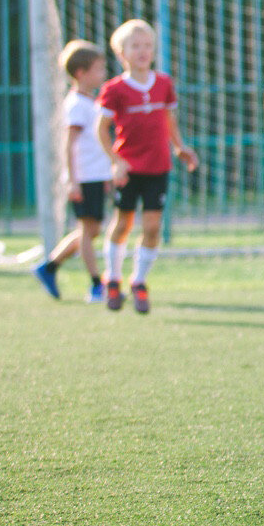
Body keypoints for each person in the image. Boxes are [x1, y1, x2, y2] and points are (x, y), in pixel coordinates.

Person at [96, 19, 199, 314]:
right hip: (129, 169)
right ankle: (112, 278)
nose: (142, 51)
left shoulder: (164, 83)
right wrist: (116, 161)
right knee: (123, 223)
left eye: (147, 46)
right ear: (122, 53)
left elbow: (168, 118)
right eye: (135, 46)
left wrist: (179, 147)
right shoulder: (114, 89)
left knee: (152, 227)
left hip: (158, 167)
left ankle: (138, 281)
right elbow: (101, 129)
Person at [32, 40, 113, 304]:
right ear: (81, 73)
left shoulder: (91, 102)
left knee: (91, 230)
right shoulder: (76, 104)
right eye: (99, 69)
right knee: (88, 231)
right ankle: (95, 285)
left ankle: (50, 266)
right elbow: (68, 145)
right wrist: (72, 180)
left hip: (95, 175)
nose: (103, 74)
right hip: (83, 177)